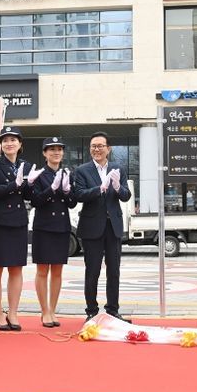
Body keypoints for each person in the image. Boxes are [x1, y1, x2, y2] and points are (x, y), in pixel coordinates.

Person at [73, 132, 131, 322]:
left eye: (100, 146)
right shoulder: (82, 170)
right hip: (92, 226)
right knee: (92, 271)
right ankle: (91, 310)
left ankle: (113, 310)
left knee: (114, 271)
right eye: (93, 146)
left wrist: (117, 187)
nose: (96, 149)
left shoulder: (118, 168)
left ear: (108, 148)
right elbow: (79, 195)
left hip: (113, 226)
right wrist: (99, 189)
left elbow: (126, 196)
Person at [0, 126, 34, 331]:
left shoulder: (26, 165)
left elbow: (29, 196)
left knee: (16, 268)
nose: (9, 143)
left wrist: (31, 184)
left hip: (18, 221)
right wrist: (16, 184)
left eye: (13, 140)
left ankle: (13, 312)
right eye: (5, 140)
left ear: (20, 144)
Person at [31, 137, 77, 327]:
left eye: (59, 149)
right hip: (43, 227)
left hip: (61, 226)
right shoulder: (38, 174)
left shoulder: (67, 174)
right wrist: (51, 189)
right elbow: (35, 201)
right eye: (51, 149)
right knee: (42, 270)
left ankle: (52, 310)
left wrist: (66, 191)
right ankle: (44, 311)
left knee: (57, 271)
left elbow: (72, 203)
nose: (56, 152)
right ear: (45, 153)